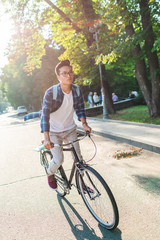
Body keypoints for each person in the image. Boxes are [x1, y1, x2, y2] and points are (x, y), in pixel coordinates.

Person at [41, 60, 91, 190]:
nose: (68, 76)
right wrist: (46, 138)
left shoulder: (77, 90)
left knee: (79, 159)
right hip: (53, 132)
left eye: (70, 73)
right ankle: (49, 172)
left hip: (70, 129)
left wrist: (84, 124)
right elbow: (45, 115)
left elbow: (80, 109)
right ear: (58, 77)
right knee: (59, 160)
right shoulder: (51, 92)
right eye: (64, 73)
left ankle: (82, 185)